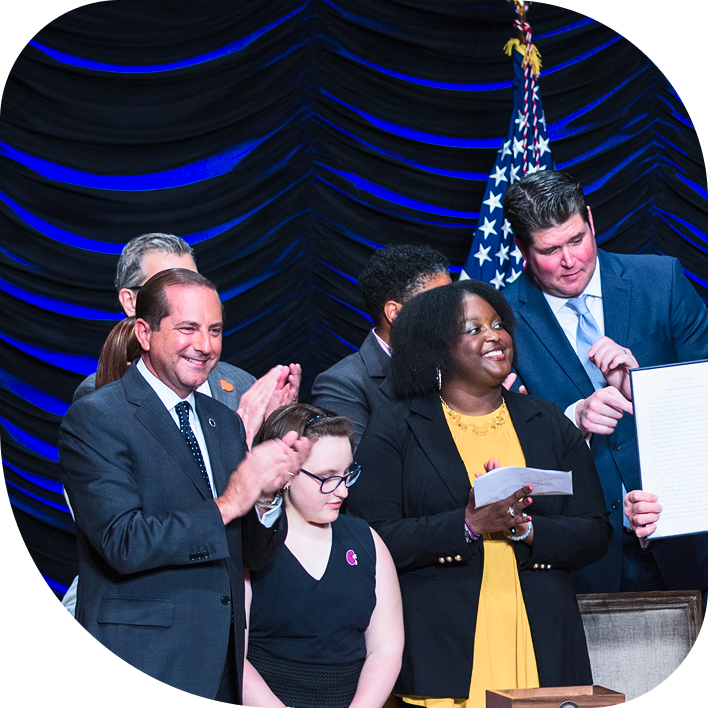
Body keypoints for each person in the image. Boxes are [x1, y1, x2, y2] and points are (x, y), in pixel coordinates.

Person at [346, 279, 612, 706]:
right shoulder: (397, 426)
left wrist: (525, 531)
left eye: (498, 323)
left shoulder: (546, 421)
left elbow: (595, 531)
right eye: (473, 329)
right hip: (443, 650)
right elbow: (368, 540)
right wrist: (467, 525)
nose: (495, 335)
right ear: (437, 347)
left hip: (542, 644)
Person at [59, 268, 311, 703]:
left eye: (215, 330)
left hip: (223, 665)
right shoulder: (98, 417)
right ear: (144, 331)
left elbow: (251, 554)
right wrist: (230, 502)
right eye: (187, 328)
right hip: (145, 656)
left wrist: (267, 494)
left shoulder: (223, 421)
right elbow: (123, 543)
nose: (205, 346)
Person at [502, 169, 708, 611]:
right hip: (574, 564)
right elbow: (498, 452)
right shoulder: (499, 319)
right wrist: (571, 419)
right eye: (550, 250)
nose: (569, 260)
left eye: (576, 240)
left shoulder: (662, 281)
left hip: (684, 543)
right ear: (522, 250)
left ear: (591, 221)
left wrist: (644, 390)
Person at [243, 404, 404, 708]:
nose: (342, 491)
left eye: (347, 474)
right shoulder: (253, 543)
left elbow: (386, 648)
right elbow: (233, 656)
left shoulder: (366, 540)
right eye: (327, 476)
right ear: (285, 474)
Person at [73, 232, 300, 446]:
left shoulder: (242, 384)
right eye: (170, 286)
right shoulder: (100, 394)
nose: (190, 299)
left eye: (193, 283)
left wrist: (279, 430)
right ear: (131, 302)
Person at [311, 244, 451, 446]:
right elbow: (361, 470)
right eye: (440, 303)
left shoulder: (459, 365)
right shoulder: (341, 385)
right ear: (394, 313)